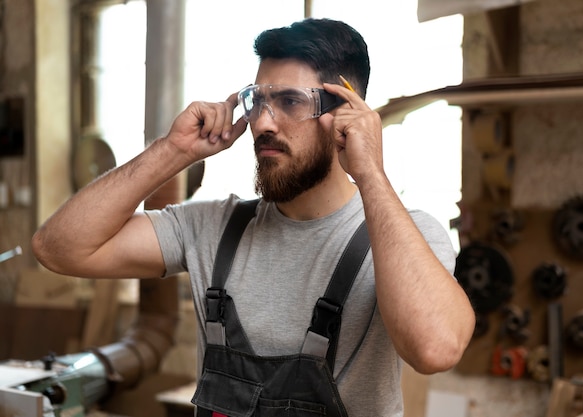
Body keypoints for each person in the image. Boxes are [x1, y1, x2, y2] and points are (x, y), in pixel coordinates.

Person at [32, 18, 475, 416]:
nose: (263, 122)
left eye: (288, 101)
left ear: (346, 111)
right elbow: (58, 248)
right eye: (257, 100)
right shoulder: (211, 228)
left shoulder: (407, 234)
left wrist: (371, 173)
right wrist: (174, 151)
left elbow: (435, 349)